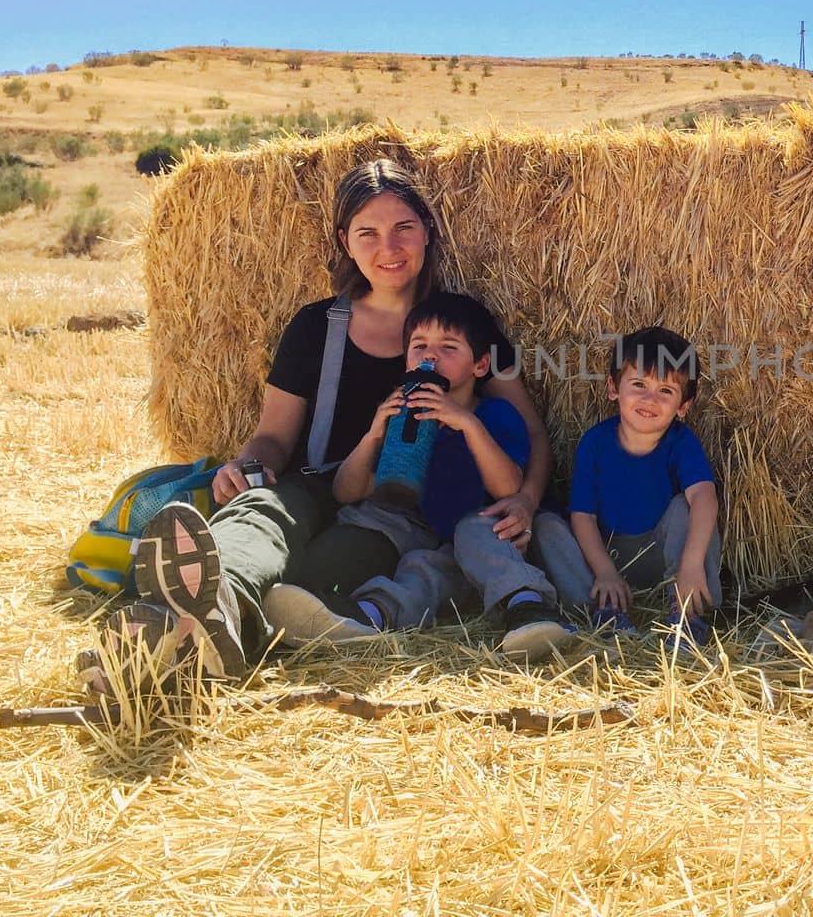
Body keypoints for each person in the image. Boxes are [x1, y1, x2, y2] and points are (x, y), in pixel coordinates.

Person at [78, 158, 553, 693]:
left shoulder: (465, 325)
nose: (388, 248)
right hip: (317, 483)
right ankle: (198, 605)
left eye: (404, 228)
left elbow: (530, 431)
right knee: (261, 513)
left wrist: (528, 499)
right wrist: (247, 464)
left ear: (427, 234)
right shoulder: (314, 328)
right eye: (367, 233)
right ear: (345, 243)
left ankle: (197, 638)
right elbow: (274, 437)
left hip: (398, 511)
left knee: (319, 579)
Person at [262, 291, 566, 653]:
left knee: (473, 534)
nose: (431, 356)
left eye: (449, 347)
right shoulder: (401, 416)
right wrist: (374, 434)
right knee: (420, 570)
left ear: (481, 366)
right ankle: (365, 617)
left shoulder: (494, 415)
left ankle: (528, 608)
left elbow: (507, 486)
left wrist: (466, 424)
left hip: (477, 531)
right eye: (419, 346)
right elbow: (347, 491)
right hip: (421, 533)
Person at [531, 326, 722, 649]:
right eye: (638, 384)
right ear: (613, 388)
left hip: (661, 558)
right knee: (545, 525)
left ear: (683, 406)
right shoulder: (595, 442)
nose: (649, 399)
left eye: (666, 391)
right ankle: (603, 613)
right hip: (603, 558)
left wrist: (690, 566)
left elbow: (704, 496)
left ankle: (687, 616)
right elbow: (583, 516)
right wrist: (605, 572)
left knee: (688, 506)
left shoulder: (681, 441)